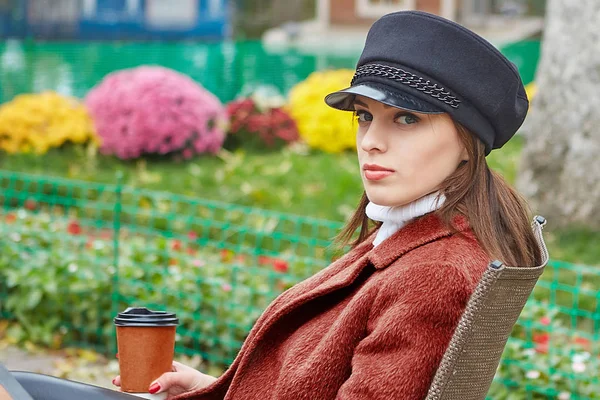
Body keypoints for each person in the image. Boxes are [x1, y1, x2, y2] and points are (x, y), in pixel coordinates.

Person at [113, 10, 545, 399]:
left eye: (406, 118)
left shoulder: (434, 276)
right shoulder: (409, 240)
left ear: (467, 145)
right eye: (365, 115)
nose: (371, 141)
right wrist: (214, 391)